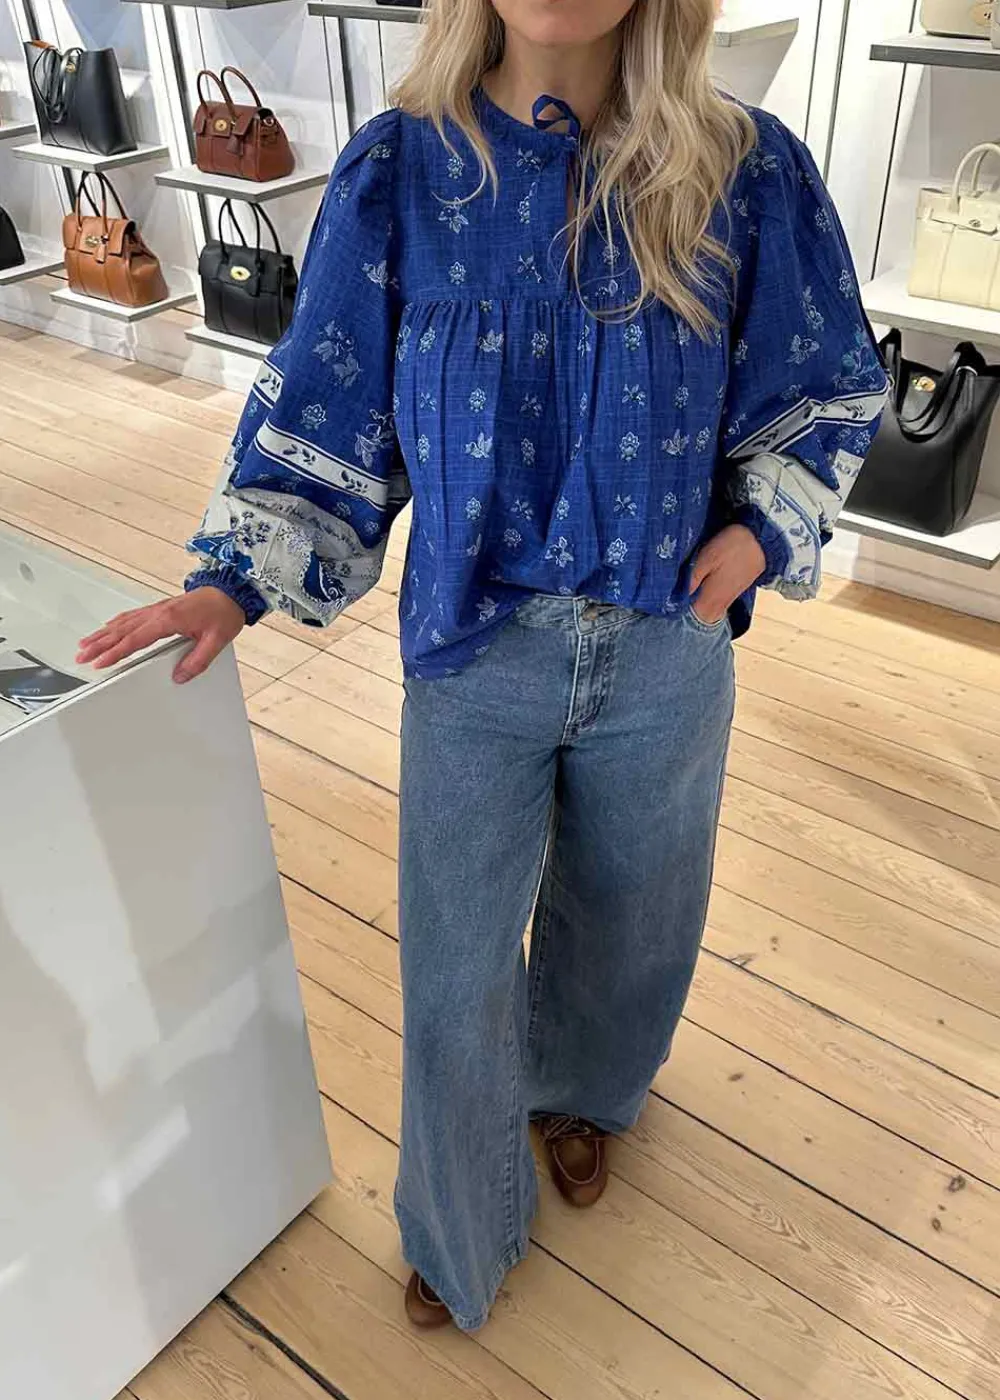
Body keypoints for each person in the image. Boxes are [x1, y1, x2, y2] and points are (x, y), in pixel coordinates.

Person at [78, 0, 888, 1333]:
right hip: (475, 654)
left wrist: (761, 530)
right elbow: (331, 391)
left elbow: (824, 377)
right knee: (455, 965)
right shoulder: (400, 169)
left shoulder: (744, 169)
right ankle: (459, 1224)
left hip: (665, 646)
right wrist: (232, 580)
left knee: (635, 917)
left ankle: (583, 1093)